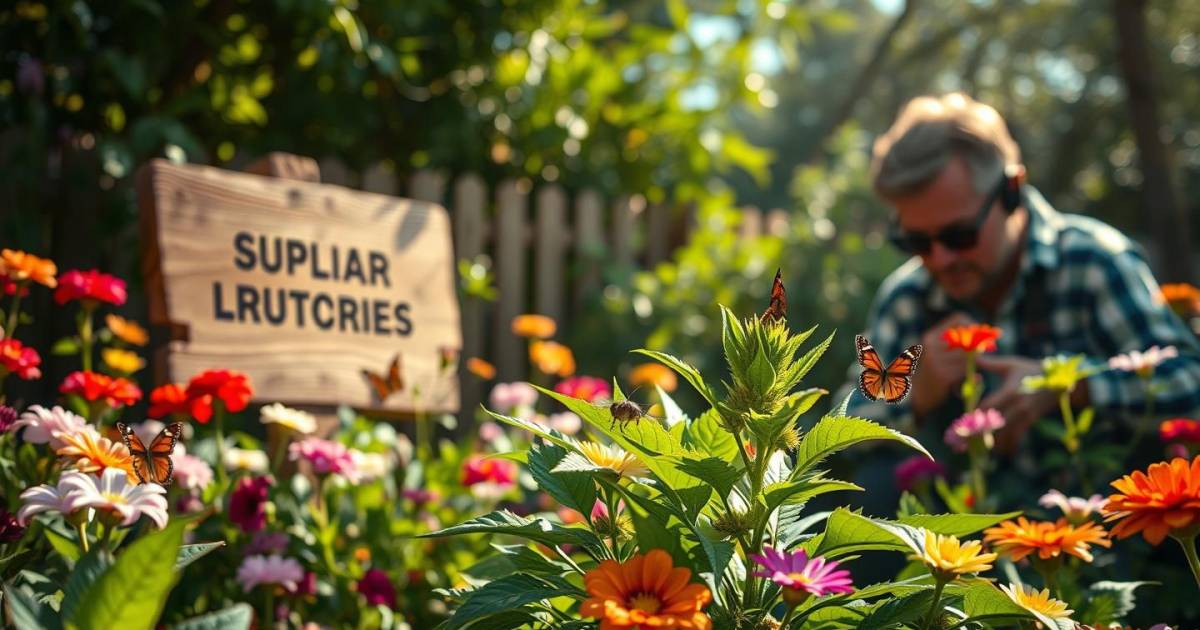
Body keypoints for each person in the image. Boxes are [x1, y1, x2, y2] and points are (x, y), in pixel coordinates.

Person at [843, 92, 1200, 453]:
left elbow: (1189, 382)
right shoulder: (907, 297)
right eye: (916, 241)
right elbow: (842, 427)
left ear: (1011, 192)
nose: (940, 259)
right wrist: (916, 392)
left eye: (959, 235)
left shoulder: (1092, 263)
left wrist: (1069, 384)